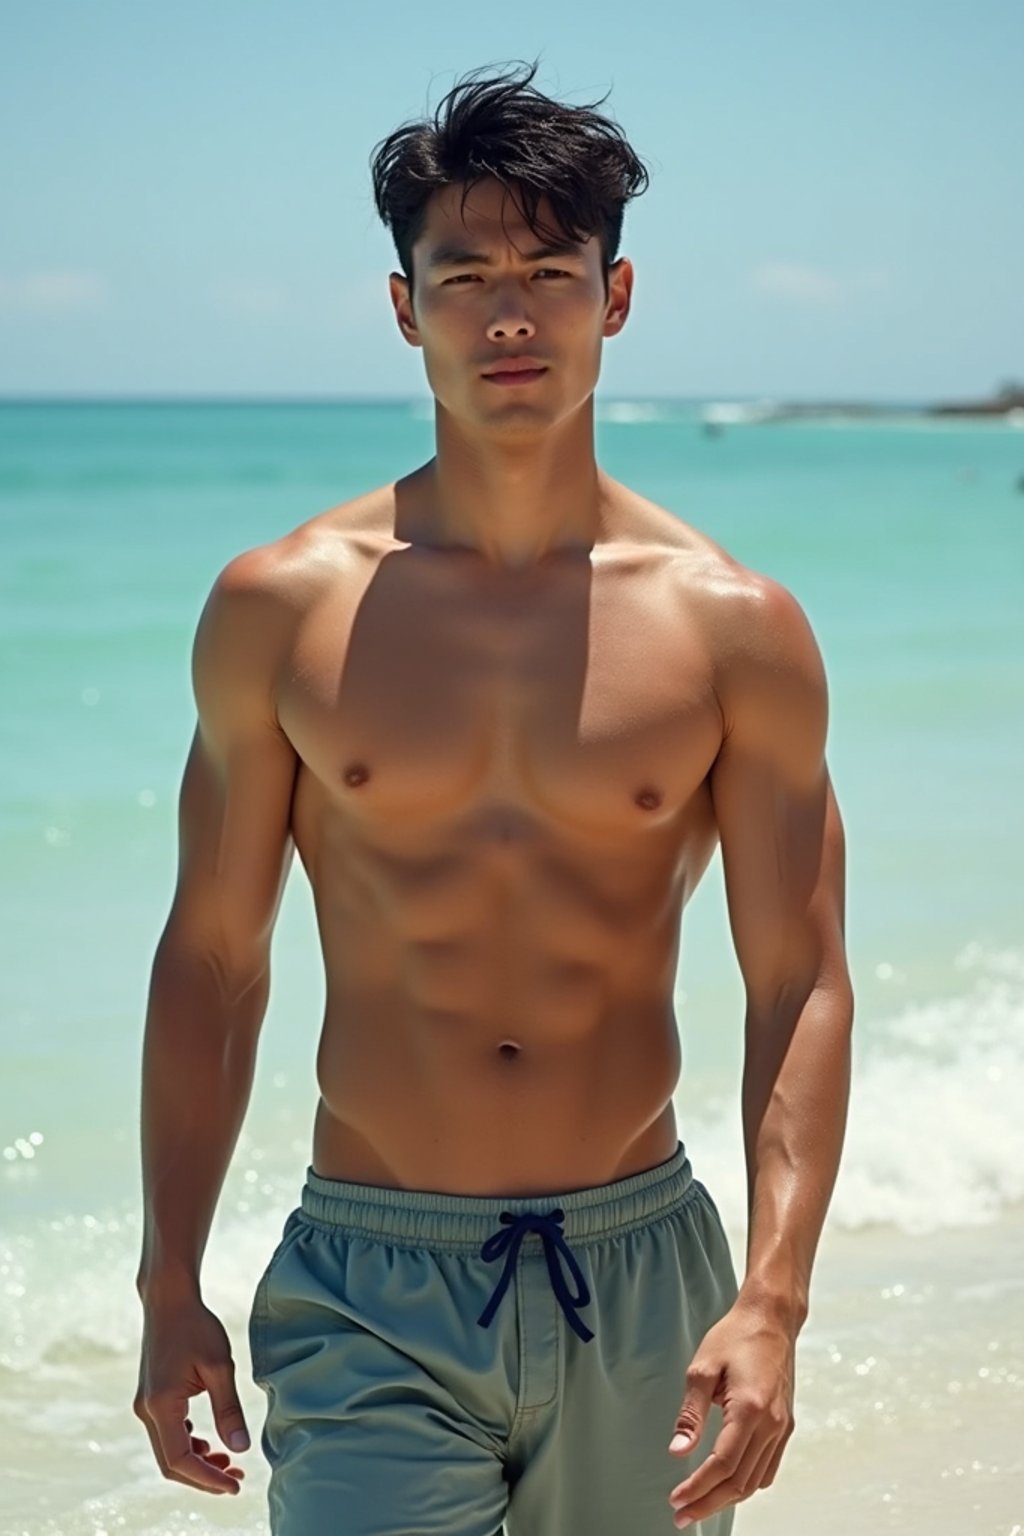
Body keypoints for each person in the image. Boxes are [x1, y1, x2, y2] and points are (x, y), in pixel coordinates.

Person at [133, 58, 854, 1536]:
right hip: (369, 1279)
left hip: (640, 1271)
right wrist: (168, 1281)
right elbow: (213, 956)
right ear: (405, 307)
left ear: (619, 293)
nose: (509, 312)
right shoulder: (283, 608)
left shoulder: (735, 627)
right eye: (463, 276)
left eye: (550, 270)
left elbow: (800, 978)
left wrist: (775, 1297)